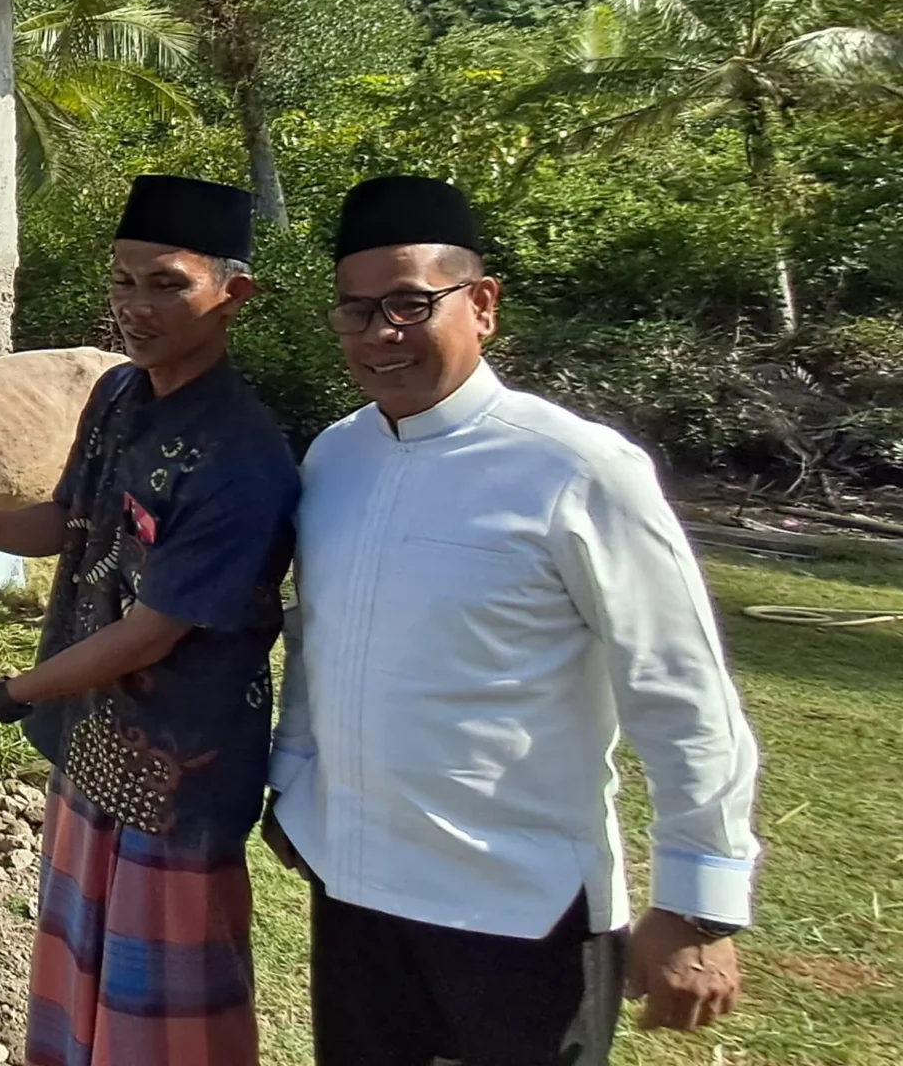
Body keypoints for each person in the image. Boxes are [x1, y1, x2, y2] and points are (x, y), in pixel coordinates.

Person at [266, 176, 762, 1066]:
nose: (380, 333)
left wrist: (697, 904)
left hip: (519, 913)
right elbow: (316, 641)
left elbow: (679, 689)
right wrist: (297, 782)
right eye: (356, 310)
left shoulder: (577, 469)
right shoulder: (336, 456)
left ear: (483, 304)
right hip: (357, 896)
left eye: (410, 303)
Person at [0, 174, 300, 1066]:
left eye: (167, 284)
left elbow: (154, 629)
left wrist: (2, 695)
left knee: (161, 1004)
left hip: (178, 769)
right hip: (92, 739)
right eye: (124, 281)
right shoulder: (120, 395)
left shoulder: (241, 456)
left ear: (234, 294)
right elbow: (68, 521)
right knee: (81, 963)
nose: (136, 306)